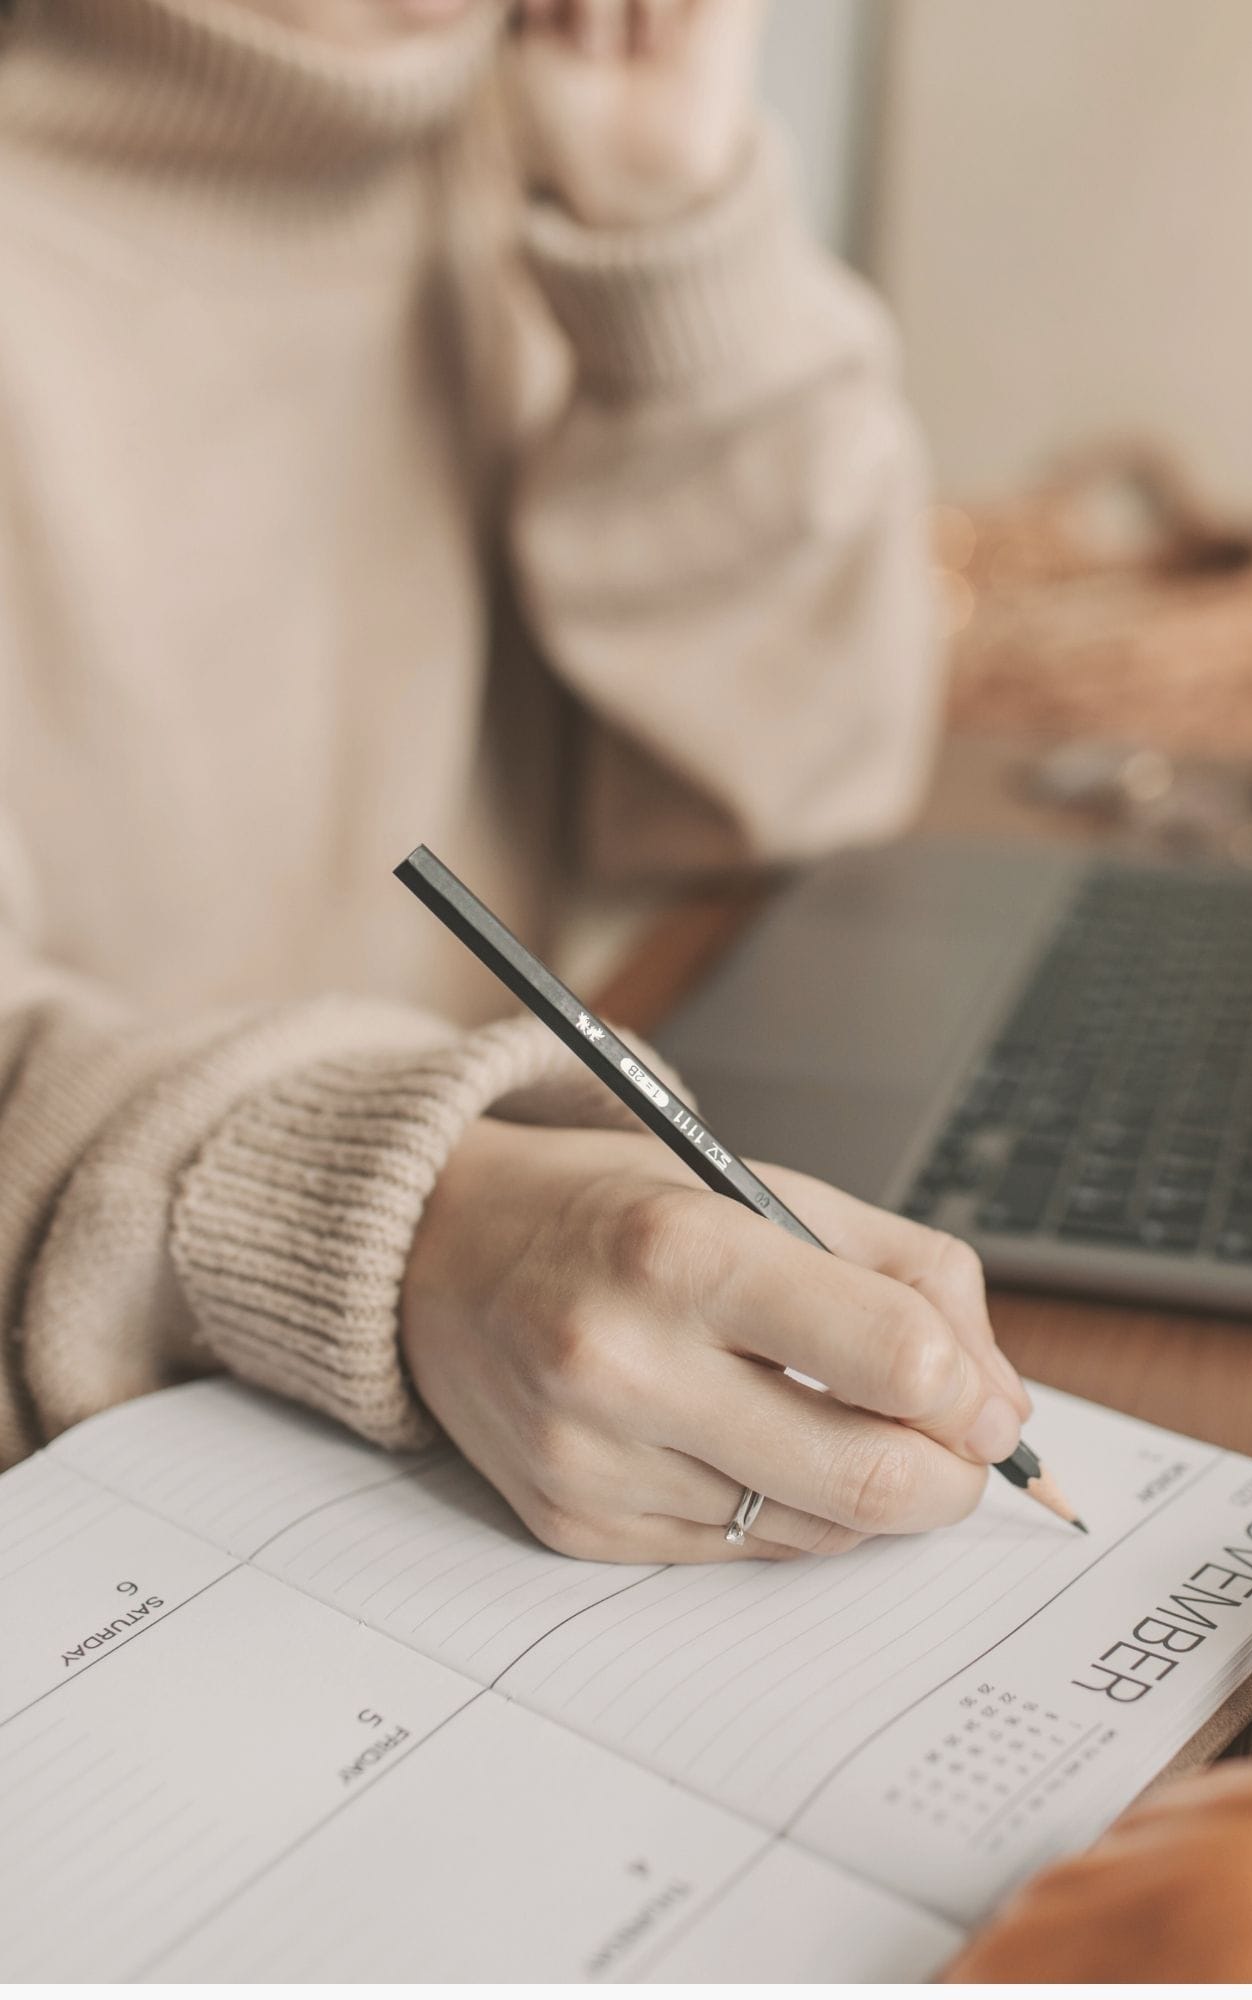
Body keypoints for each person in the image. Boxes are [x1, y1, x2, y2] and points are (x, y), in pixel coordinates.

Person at [0, 0, 1030, 1562]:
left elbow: (811, 766)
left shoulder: (514, 124)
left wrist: (668, 223)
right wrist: (388, 1221)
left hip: (504, 1416)